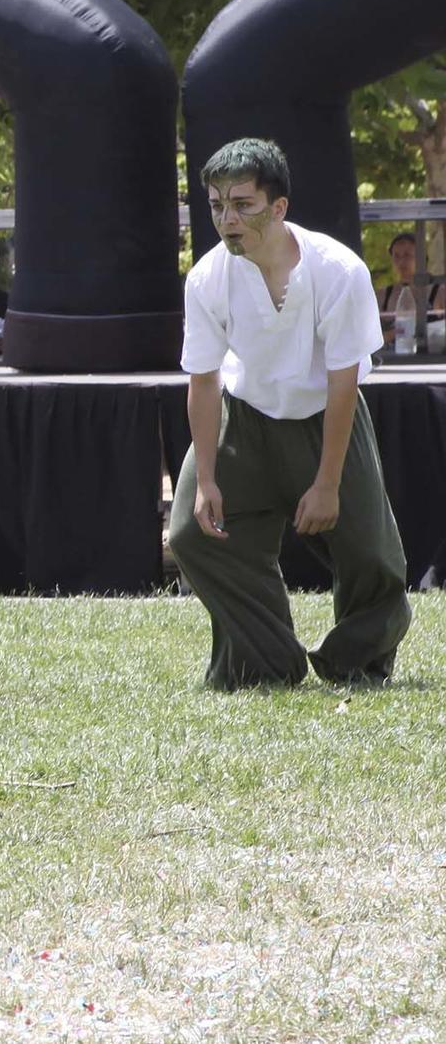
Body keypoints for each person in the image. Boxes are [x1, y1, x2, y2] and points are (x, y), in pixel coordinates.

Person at [167, 139, 408, 691]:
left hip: (325, 417)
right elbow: (202, 380)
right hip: (242, 417)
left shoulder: (338, 270)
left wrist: (327, 484)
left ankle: (355, 660)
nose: (227, 219)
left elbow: (344, 378)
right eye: (216, 206)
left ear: (278, 208)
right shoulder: (207, 279)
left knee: (372, 554)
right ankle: (265, 661)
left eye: (243, 205)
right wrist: (205, 479)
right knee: (190, 532)